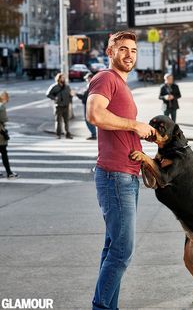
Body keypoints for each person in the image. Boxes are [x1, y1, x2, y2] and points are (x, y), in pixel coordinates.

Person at [86, 31, 156, 310]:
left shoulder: (121, 85)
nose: (129, 54)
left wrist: (143, 135)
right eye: (123, 49)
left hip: (126, 174)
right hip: (115, 175)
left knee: (113, 248)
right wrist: (134, 125)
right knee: (122, 251)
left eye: (134, 50)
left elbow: (118, 125)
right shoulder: (105, 78)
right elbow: (94, 115)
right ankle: (101, 307)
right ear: (110, 52)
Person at [46, 73, 74, 139]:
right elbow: (48, 94)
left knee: (66, 121)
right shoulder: (54, 87)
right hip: (58, 106)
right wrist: (55, 98)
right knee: (58, 121)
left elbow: (70, 95)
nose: (63, 79)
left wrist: (70, 102)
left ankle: (67, 134)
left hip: (66, 105)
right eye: (62, 78)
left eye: (64, 78)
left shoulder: (67, 87)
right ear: (58, 78)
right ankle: (58, 134)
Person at [0, 91, 18, 179]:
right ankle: (9, 172)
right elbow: (4, 119)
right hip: (1, 134)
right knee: (4, 153)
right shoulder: (2, 107)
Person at [76, 73, 97, 140]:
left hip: (88, 105)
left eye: (87, 78)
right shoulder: (92, 85)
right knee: (89, 120)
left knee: (88, 120)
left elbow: (85, 97)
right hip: (90, 104)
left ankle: (93, 134)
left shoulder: (91, 85)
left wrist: (76, 94)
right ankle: (93, 134)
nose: (86, 79)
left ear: (90, 78)